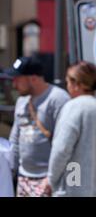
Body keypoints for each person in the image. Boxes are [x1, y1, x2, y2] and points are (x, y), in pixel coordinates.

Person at [47, 61, 96, 197]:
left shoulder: (74, 108)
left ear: (76, 85)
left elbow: (62, 150)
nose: (67, 86)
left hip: (76, 187)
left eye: (68, 81)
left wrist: (51, 178)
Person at [3, 56, 70, 197]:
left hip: (48, 179)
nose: (14, 84)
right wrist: (10, 170)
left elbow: (66, 144)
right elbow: (15, 139)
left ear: (33, 78)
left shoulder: (58, 99)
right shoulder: (22, 101)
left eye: (18, 79)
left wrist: (53, 178)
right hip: (24, 178)